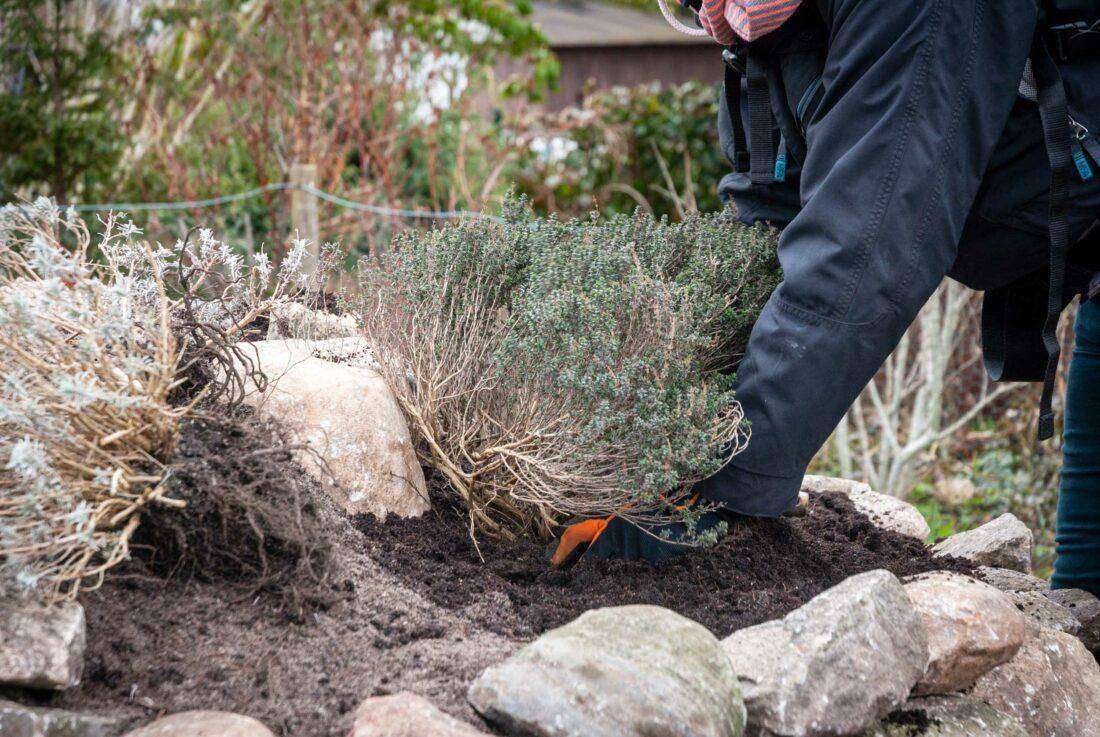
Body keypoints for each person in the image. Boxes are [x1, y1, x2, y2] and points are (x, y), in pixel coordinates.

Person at [550, 0, 1100, 595]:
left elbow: (865, 250)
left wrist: (707, 493)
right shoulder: (756, 15)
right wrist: (655, 444)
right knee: (1085, 591)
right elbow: (765, 219)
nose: (714, 13)